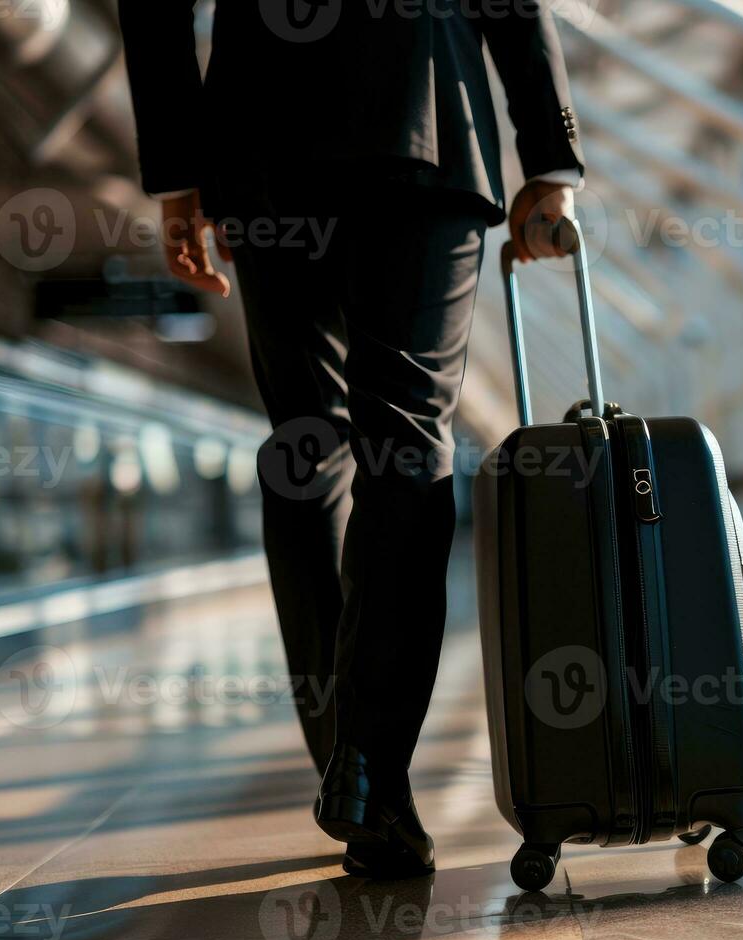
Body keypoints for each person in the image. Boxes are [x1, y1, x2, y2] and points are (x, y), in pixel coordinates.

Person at [117, 0, 584, 878]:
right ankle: (368, 769)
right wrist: (550, 156)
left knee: (306, 447)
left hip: (260, 140)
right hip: (426, 115)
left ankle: (344, 749)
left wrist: (178, 175)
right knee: (405, 440)